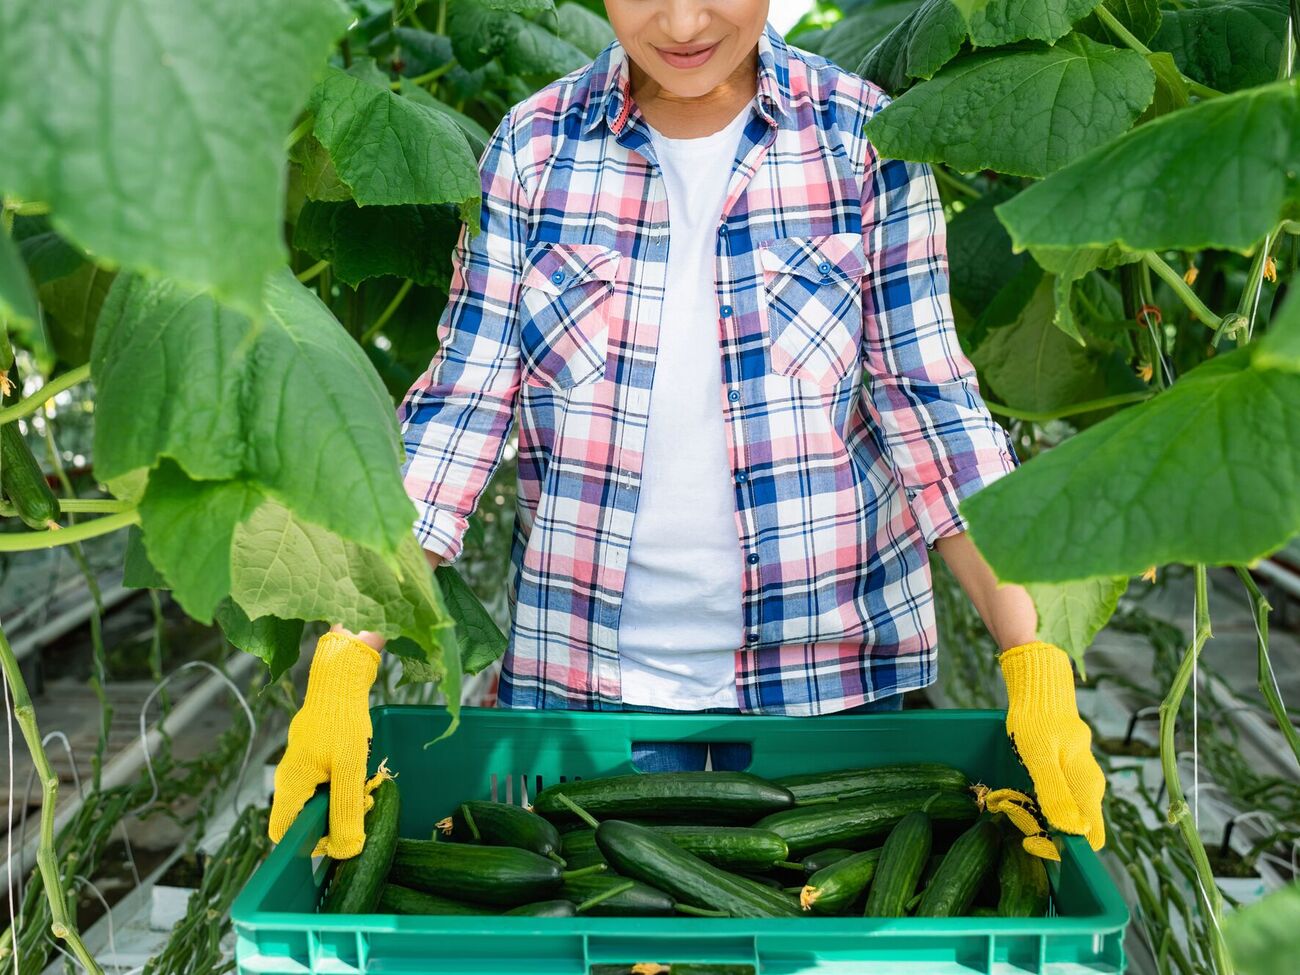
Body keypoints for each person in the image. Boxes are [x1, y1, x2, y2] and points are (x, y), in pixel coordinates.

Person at [269, 0, 1106, 861]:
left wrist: (1032, 657)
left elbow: (934, 412)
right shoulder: (532, 149)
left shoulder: (863, 142)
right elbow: (459, 414)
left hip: (825, 699)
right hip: (586, 698)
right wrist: (345, 651)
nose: (679, 21)